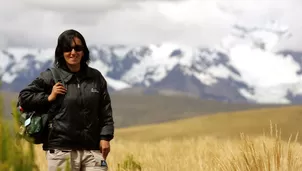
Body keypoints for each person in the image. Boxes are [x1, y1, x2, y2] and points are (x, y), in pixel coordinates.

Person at [18, 29, 114, 171]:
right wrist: (48, 97)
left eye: (78, 48)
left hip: (92, 150)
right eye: (67, 48)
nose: (73, 52)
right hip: (61, 151)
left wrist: (105, 137)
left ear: (84, 51)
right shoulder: (50, 76)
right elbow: (24, 97)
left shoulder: (96, 77)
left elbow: (105, 111)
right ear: (61, 52)